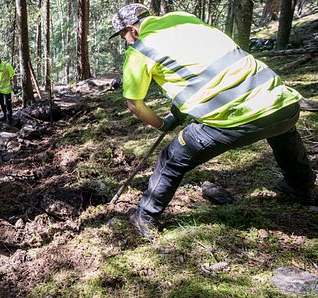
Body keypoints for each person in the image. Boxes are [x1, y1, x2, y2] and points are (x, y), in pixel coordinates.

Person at [111, 4, 316, 239]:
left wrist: (160, 125)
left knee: (172, 158)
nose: (124, 41)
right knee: (283, 130)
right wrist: (176, 114)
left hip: (235, 119)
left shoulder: (139, 50)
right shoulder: (182, 18)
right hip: (281, 101)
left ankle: (145, 216)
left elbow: (134, 104)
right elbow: (202, 68)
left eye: (122, 36)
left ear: (131, 29)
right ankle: (301, 187)